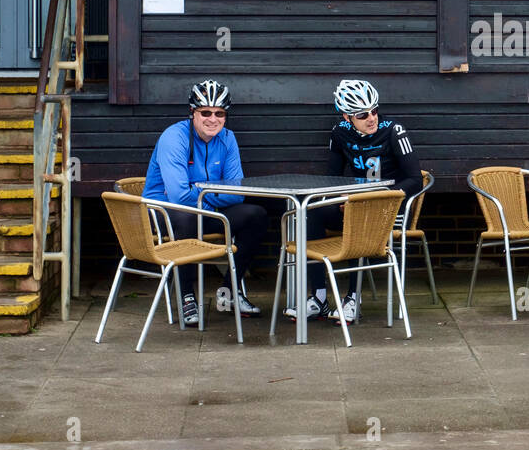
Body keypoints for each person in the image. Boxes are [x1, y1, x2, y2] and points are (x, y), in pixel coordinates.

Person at [294, 79, 423, 325]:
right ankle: (319, 297)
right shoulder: (339, 133)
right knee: (311, 212)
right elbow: (331, 179)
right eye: (362, 114)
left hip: (389, 206)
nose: (371, 118)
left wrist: (375, 199)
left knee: (357, 214)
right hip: (355, 204)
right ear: (346, 116)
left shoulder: (394, 130)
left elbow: (415, 180)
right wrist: (339, 198)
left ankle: (353, 298)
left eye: (374, 110)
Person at [143, 79, 269, 325]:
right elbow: (178, 197)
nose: (213, 119)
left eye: (220, 113)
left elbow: (237, 192)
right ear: (192, 113)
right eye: (206, 112)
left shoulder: (228, 139)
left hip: (208, 213)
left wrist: (205, 200)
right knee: (186, 216)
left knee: (256, 215)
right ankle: (187, 296)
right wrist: (215, 202)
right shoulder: (174, 138)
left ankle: (229, 292)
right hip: (164, 212)